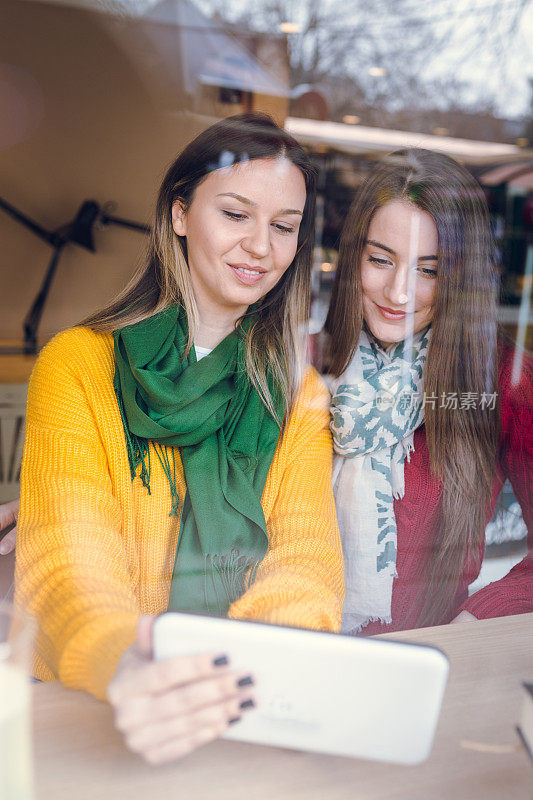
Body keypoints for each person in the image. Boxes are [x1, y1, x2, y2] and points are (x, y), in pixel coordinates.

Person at [14, 113, 344, 765]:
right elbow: (66, 555)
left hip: (239, 713)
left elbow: (306, 566)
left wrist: (230, 682)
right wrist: (127, 664)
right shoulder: (77, 365)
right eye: (235, 214)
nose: (260, 247)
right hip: (93, 707)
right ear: (179, 214)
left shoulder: (298, 397)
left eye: (283, 227)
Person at [323, 147, 532, 635]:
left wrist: (469, 626)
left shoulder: (503, 382)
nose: (399, 292)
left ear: (459, 277)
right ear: (354, 255)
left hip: (423, 667)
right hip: (288, 656)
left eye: (428, 270)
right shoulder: (308, 361)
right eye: (380, 259)